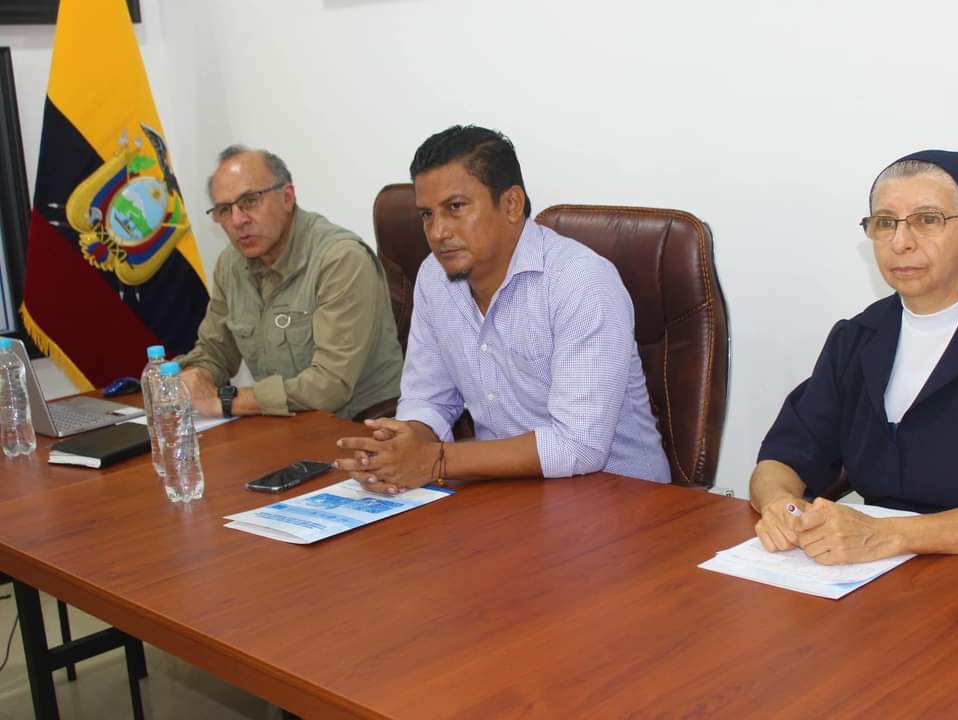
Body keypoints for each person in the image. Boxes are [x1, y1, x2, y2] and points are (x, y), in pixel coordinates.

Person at [751, 150, 958, 564]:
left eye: (928, 220)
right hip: (882, 572)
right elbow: (784, 455)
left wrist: (884, 535)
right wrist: (782, 507)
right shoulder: (858, 337)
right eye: (885, 223)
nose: (900, 242)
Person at [334, 125, 669, 492]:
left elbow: (578, 446)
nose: (438, 232)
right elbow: (428, 399)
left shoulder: (580, 281)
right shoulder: (434, 276)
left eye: (455, 208)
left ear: (511, 204)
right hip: (507, 489)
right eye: (427, 214)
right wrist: (402, 447)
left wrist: (434, 460)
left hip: (620, 497)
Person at [177, 146, 402, 420]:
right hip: (285, 425)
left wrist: (226, 401)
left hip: (360, 426)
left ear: (287, 197)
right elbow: (215, 351)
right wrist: (197, 376)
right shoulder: (231, 264)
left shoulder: (340, 259)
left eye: (250, 201)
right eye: (224, 209)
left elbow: (330, 386)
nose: (237, 220)